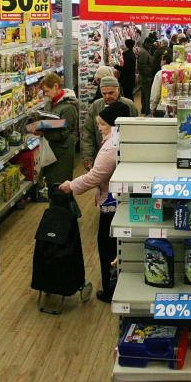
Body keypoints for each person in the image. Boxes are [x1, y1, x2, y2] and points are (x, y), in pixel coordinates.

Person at [60, 101, 131, 303]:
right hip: (120, 200)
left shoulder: (110, 147)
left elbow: (95, 176)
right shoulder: (125, 140)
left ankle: (110, 290)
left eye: (102, 124)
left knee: (107, 247)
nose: (99, 128)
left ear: (114, 125)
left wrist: (71, 186)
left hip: (111, 204)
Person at [33, 72, 79, 185]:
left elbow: (64, 134)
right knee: (52, 186)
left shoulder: (68, 107)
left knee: (61, 188)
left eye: (47, 91)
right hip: (52, 151)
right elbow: (52, 123)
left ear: (56, 86)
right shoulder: (51, 103)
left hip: (63, 154)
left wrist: (43, 132)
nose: (46, 95)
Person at [81, 77, 138, 169]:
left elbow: (135, 131)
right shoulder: (96, 106)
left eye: (111, 93)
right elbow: (88, 132)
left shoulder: (129, 105)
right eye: (104, 93)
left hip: (125, 155)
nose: (107, 96)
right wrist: (88, 155)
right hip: (102, 156)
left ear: (118, 90)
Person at [136, 39, 155, 116]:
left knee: (144, 94)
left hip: (145, 76)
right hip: (146, 77)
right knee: (147, 95)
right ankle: (147, 111)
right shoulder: (143, 52)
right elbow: (142, 65)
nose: (150, 47)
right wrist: (149, 74)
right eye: (149, 45)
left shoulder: (144, 51)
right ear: (146, 43)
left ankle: (144, 109)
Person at [150, 51, 172, 117]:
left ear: (164, 61)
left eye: (161, 60)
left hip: (162, 107)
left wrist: (152, 108)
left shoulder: (160, 73)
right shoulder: (178, 71)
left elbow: (155, 93)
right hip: (175, 107)